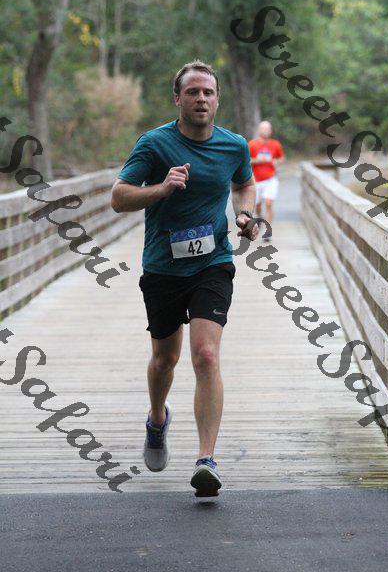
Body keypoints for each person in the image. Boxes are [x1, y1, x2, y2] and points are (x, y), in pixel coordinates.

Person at [111, 60, 259, 497]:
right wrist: (161, 188)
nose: (201, 99)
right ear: (177, 99)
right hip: (163, 267)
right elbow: (118, 197)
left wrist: (246, 215)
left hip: (213, 262)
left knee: (206, 355)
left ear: (217, 100)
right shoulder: (154, 144)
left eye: (208, 92)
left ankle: (206, 459)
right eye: (192, 92)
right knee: (165, 360)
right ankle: (157, 419)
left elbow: (244, 184)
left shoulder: (234, 145)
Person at [248, 121, 286, 241]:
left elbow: (282, 157)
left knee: (269, 203)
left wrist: (277, 161)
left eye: (267, 129)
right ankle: (259, 217)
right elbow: (246, 160)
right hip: (256, 180)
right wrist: (257, 160)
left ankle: (267, 231)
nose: (265, 131)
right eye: (263, 129)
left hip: (271, 179)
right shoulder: (252, 144)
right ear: (259, 130)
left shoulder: (275, 144)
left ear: (270, 131)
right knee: (258, 205)